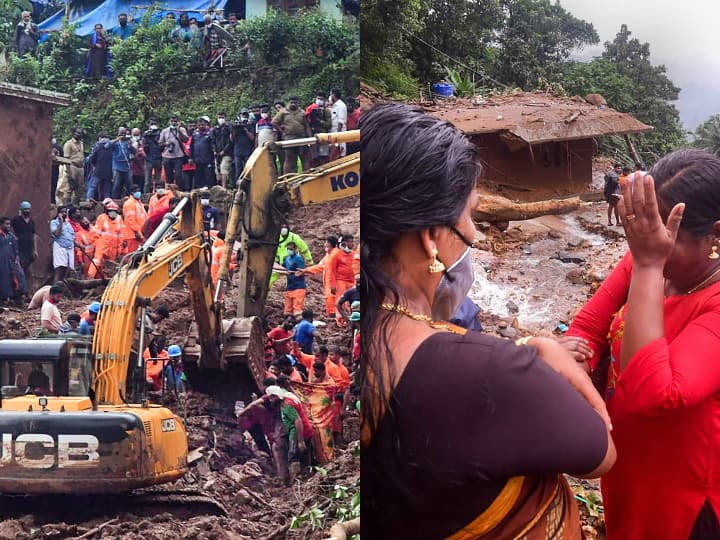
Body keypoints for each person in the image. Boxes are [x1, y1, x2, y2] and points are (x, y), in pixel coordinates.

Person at [361, 103, 615, 538]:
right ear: (430, 238)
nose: (475, 234)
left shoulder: (363, 334)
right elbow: (600, 453)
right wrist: (537, 353)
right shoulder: (491, 375)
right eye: (471, 215)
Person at [567, 149, 720, 539]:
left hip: (681, 496)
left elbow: (654, 395)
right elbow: (586, 327)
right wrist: (578, 365)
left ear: (715, 237)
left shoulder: (678, 278)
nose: (651, 245)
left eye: (670, 239)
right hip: (626, 468)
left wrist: (650, 264)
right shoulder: (647, 255)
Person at [265, 385, 313, 485]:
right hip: (305, 429)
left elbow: (297, 421)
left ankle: (296, 480)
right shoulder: (287, 395)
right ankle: (307, 475)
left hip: (297, 433)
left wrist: (300, 441)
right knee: (305, 454)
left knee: (293, 456)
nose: (271, 400)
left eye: (272, 398)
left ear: (277, 396)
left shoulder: (286, 406)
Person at [272, 96, 312, 174]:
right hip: (289, 138)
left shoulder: (302, 112)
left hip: (302, 138)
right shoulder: (283, 112)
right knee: (289, 159)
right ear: (288, 103)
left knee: (304, 158)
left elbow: (306, 126)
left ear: (298, 103)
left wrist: (310, 138)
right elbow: (274, 122)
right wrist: (282, 131)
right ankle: (287, 179)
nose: (293, 104)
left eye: (295, 103)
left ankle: (306, 178)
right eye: (291, 102)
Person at [303, 235, 339, 319]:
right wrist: (306, 270)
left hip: (335, 282)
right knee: (329, 299)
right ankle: (332, 316)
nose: (325, 246)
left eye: (327, 245)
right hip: (328, 282)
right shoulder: (328, 255)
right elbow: (320, 266)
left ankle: (336, 317)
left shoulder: (336, 254)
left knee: (334, 300)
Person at [88, 201, 124, 279]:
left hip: (113, 247)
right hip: (102, 245)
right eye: (111, 211)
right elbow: (95, 233)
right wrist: (96, 244)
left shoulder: (119, 219)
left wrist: (119, 249)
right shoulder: (102, 218)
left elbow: (121, 235)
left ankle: (106, 281)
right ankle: (90, 277)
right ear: (107, 211)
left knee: (109, 265)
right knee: (97, 261)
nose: (112, 213)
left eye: (114, 211)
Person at [270, 224, 313, 288]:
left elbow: (304, 249)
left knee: (292, 282)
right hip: (279, 264)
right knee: (269, 280)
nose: (283, 229)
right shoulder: (275, 237)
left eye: (285, 227)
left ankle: (291, 293)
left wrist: (310, 261)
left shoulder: (294, 237)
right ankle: (262, 294)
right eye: (282, 227)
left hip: (292, 263)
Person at [328, 234, 356, 325]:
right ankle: (340, 321)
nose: (352, 244)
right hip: (341, 281)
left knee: (353, 301)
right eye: (350, 242)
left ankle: (353, 319)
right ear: (344, 243)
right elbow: (332, 271)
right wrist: (332, 285)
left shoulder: (354, 255)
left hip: (352, 281)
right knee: (341, 301)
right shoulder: (337, 255)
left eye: (352, 241)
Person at [0, 217, 27, 304]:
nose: (9, 226)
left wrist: (17, 259)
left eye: (9, 224)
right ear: (1, 224)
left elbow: (15, 249)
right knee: (4, 281)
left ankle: (17, 300)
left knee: (18, 279)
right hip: (2, 262)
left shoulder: (10, 236)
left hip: (11, 262)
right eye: (6, 224)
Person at [158, 115, 189, 187]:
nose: (173, 123)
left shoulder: (182, 129)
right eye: (172, 121)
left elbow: (186, 140)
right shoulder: (164, 131)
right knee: (169, 177)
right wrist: (166, 144)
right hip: (167, 156)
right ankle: (170, 192)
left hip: (178, 156)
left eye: (175, 121)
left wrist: (179, 130)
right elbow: (159, 144)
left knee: (178, 176)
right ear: (169, 122)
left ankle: (180, 190)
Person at [10, 202, 37, 281]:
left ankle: (28, 289)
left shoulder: (31, 221)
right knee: (20, 268)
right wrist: (14, 237)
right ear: (21, 210)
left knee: (28, 269)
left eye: (28, 209)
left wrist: (35, 249)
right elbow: (8, 229)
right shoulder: (16, 219)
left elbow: (34, 235)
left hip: (29, 248)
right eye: (25, 209)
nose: (27, 211)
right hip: (19, 247)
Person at [279, 241, 307, 318]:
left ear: (295, 249)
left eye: (290, 249)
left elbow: (301, 271)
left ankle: (297, 325)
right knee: (287, 310)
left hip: (298, 287)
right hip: (290, 287)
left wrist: (292, 273)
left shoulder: (298, 259)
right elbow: (282, 268)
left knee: (297, 310)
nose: (289, 251)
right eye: (288, 249)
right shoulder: (287, 259)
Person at [107, 127, 137, 199]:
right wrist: (117, 139)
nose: (123, 135)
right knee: (116, 185)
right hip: (117, 167)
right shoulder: (116, 143)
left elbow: (134, 152)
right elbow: (107, 146)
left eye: (124, 133)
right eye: (121, 133)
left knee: (130, 184)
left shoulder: (127, 142)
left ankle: (132, 199)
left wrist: (130, 146)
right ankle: (114, 200)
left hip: (126, 167)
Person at [50, 207, 76, 283]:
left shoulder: (68, 224)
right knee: (59, 268)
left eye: (65, 212)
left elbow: (72, 238)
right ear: (58, 213)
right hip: (60, 247)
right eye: (62, 212)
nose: (64, 214)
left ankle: (63, 289)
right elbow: (57, 233)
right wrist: (61, 221)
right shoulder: (54, 222)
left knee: (69, 269)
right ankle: (55, 289)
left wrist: (80, 246)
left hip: (70, 248)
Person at [189, 116, 217, 188]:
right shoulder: (195, 133)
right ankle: (199, 191)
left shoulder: (210, 133)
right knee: (198, 177)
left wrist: (214, 152)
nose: (201, 126)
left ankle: (209, 191)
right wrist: (190, 157)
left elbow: (213, 144)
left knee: (209, 177)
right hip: (198, 160)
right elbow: (191, 146)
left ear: (206, 125)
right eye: (199, 125)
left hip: (208, 159)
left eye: (202, 125)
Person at [62, 127, 85, 206]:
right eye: (77, 133)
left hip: (81, 168)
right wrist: (69, 173)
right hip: (72, 166)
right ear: (73, 133)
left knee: (80, 189)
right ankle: (65, 206)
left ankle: (75, 207)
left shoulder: (81, 143)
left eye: (80, 133)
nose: (79, 134)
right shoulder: (68, 144)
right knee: (69, 188)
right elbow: (66, 159)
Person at [122, 185, 148, 252]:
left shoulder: (139, 203)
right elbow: (130, 220)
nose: (138, 193)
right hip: (133, 235)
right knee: (133, 255)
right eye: (136, 191)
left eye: (139, 191)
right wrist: (136, 232)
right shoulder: (129, 204)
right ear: (131, 193)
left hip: (140, 233)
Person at [212, 112, 233, 188]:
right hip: (217, 154)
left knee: (224, 169)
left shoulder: (229, 127)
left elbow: (230, 141)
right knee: (217, 172)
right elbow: (213, 141)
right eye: (219, 117)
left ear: (225, 118)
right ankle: (219, 188)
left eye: (222, 117)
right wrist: (214, 150)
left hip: (227, 153)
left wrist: (224, 151)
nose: (221, 119)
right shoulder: (215, 129)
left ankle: (224, 188)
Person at [142, 118, 163, 194]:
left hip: (158, 158)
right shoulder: (146, 134)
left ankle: (158, 195)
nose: (153, 125)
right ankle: (146, 196)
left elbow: (161, 146)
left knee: (158, 180)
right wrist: (146, 138)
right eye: (151, 124)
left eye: (154, 124)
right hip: (149, 159)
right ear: (148, 125)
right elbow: (144, 148)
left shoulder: (160, 133)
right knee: (148, 181)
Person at [329, 89, 347, 161]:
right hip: (333, 135)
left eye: (330, 94)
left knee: (340, 156)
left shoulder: (341, 105)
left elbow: (340, 122)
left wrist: (337, 138)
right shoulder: (333, 105)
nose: (330, 96)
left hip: (339, 136)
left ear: (333, 95)